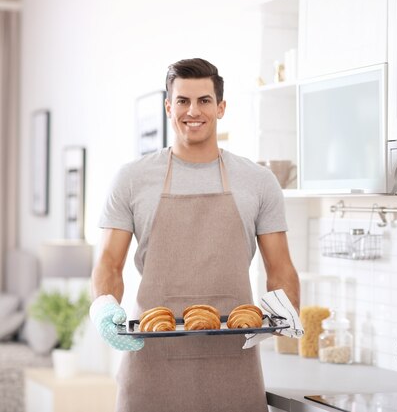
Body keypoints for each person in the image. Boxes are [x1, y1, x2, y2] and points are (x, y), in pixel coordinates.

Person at [89, 58, 301, 412]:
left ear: (220, 107)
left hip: (233, 367)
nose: (193, 111)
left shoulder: (258, 181)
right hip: (151, 367)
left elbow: (280, 268)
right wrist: (103, 306)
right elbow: (109, 263)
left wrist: (287, 312)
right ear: (169, 106)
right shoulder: (131, 179)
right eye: (183, 101)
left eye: (204, 100)